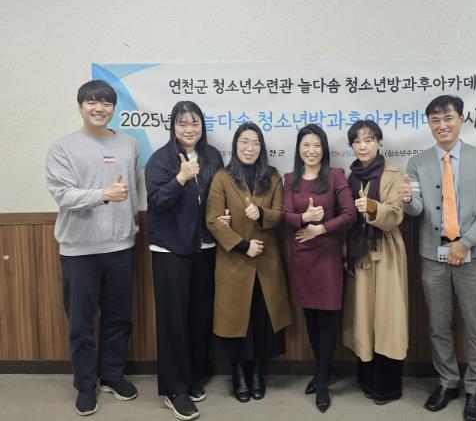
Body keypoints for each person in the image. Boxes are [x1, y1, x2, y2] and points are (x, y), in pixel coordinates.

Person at [397, 94, 476, 421]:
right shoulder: (417, 163)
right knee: (438, 323)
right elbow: (416, 210)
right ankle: (447, 382)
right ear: (429, 125)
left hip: (475, 254)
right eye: (435, 121)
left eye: (448, 118)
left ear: (461, 120)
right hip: (433, 255)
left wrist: (465, 243)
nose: (442, 125)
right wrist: (406, 201)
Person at [45, 80, 140, 416]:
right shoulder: (62, 147)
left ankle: (112, 375)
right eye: (92, 102)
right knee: (81, 323)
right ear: (80, 106)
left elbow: (133, 191)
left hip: (121, 245)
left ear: (114, 108)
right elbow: (62, 195)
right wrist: (102, 195)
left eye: (106, 103)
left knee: (119, 318)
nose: (99, 108)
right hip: (79, 249)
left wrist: (131, 225)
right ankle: (86, 385)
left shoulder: (129, 145)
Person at [145, 101, 225, 421]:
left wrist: (226, 214)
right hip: (170, 249)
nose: (189, 129)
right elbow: (156, 203)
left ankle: (191, 376)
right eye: (182, 123)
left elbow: (220, 196)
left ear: (202, 126)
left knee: (199, 316)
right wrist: (180, 178)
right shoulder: (160, 159)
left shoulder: (213, 156)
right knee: (173, 320)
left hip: (204, 247)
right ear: (173, 127)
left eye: (194, 123)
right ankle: (173, 389)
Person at [205, 122, 294, 404]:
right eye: (244, 142)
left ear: (261, 147)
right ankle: (238, 374)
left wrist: (261, 213)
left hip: (267, 260)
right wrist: (244, 245)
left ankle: (257, 372)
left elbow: (280, 214)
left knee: (261, 320)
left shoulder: (273, 176)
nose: (249, 148)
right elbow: (213, 220)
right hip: (235, 260)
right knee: (235, 321)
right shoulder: (222, 177)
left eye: (255, 143)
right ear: (235, 145)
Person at [282, 124, 357, 413]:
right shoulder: (290, 179)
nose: (311, 151)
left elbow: (350, 214)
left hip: (327, 257)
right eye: (306, 145)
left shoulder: (336, 176)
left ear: (324, 149)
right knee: (311, 318)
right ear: (298, 149)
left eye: (316, 145)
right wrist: (304, 218)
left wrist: (320, 228)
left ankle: (322, 381)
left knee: (328, 319)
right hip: (302, 258)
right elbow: (285, 215)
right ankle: (321, 370)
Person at [342, 120, 409, 405]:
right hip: (359, 254)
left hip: (386, 252)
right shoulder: (350, 177)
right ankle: (366, 378)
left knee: (387, 317)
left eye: (368, 140)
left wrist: (372, 207)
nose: (363, 146)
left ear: (379, 142)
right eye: (357, 142)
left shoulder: (393, 174)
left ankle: (387, 386)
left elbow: (396, 214)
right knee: (363, 317)